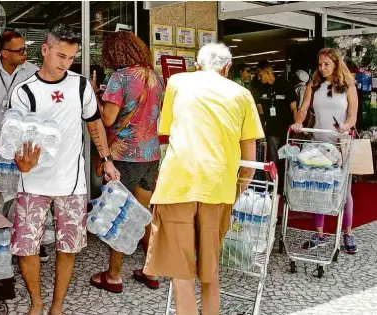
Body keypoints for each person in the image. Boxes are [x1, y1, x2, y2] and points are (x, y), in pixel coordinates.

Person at [143, 43, 264, 315]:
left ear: (197, 65)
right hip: (218, 188)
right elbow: (248, 164)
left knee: (180, 272)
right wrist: (235, 192)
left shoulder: (177, 82)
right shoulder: (243, 94)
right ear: (228, 67)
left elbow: (168, 129)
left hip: (176, 185)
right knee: (210, 273)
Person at [9, 24, 120, 315]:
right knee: (26, 247)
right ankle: (36, 303)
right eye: (60, 55)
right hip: (32, 183)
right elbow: (15, 138)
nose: (64, 63)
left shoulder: (81, 85)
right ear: (44, 50)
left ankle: (57, 306)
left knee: (67, 247)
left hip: (72, 183)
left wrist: (106, 158)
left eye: (70, 57)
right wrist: (22, 163)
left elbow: (94, 122)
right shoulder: (24, 91)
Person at [0, 30, 53, 261]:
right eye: (20, 50)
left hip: (24, 144)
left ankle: (34, 240)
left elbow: (44, 106)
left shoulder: (34, 72)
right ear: (4, 53)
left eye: (25, 48)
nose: (25, 53)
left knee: (27, 192)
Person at [88, 31, 164, 293]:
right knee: (144, 215)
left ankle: (114, 275)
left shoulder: (119, 78)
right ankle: (150, 271)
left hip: (124, 155)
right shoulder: (155, 77)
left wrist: (95, 97)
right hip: (151, 153)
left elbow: (107, 119)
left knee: (118, 212)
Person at [292, 48, 359, 254]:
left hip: (340, 144)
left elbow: (352, 117)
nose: (322, 68)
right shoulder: (314, 84)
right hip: (318, 143)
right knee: (318, 188)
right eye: (320, 64)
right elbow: (303, 108)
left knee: (344, 191)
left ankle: (347, 232)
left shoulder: (348, 86)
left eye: (326, 64)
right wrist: (298, 122)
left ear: (336, 64)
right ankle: (319, 234)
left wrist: (346, 127)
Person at [257, 64, 297, 194]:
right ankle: (275, 188)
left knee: (286, 159)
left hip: (286, 129)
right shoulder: (261, 88)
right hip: (272, 130)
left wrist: (297, 126)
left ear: (268, 73)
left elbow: (294, 108)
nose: (259, 78)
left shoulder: (285, 85)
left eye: (260, 74)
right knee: (273, 159)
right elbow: (260, 110)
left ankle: (286, 187)